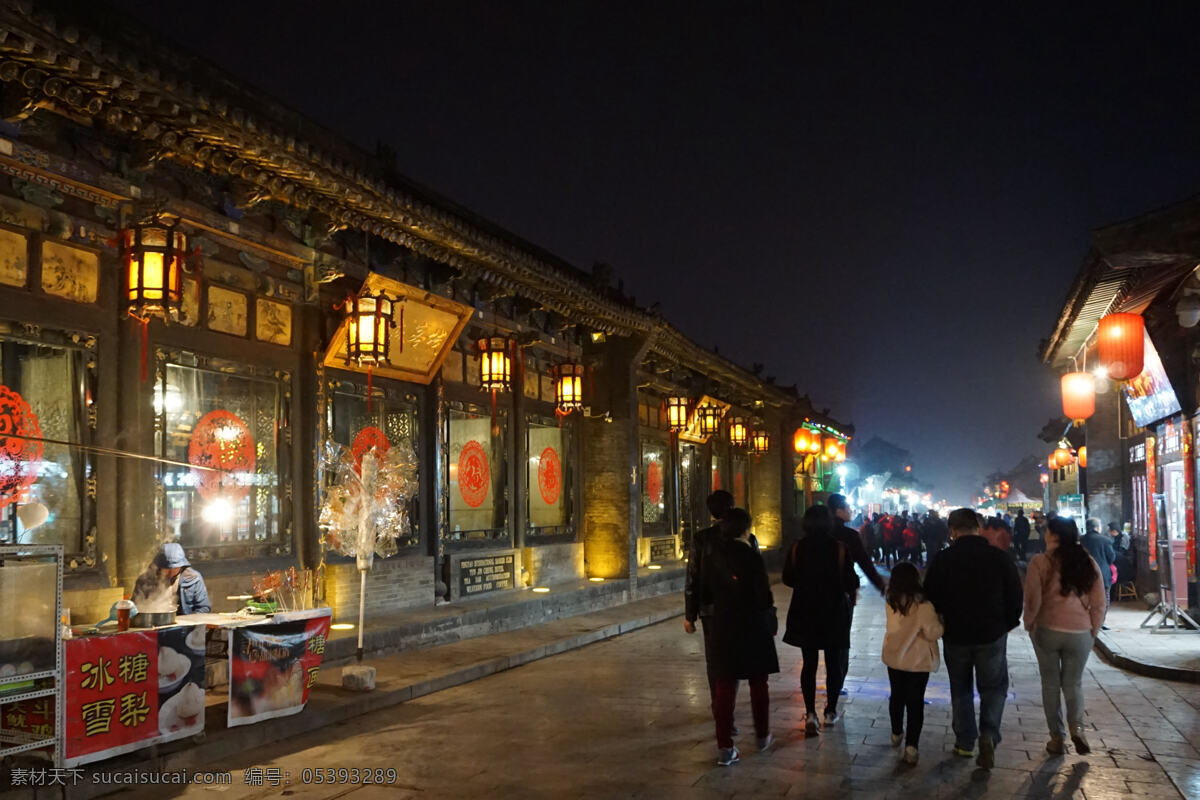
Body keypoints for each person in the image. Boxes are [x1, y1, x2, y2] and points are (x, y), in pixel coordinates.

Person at [923, 508, 1022, 769]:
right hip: (991, 633)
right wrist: (1008, 622)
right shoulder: (998, 558)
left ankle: (965, 742)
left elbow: (930, 594)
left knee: (961, 687)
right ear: (978, 527)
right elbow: (1015, 593)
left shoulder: (943, 559)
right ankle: (989, 734)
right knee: (994, 686)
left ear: (952, 530)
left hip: (956, 633)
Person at [690, 507, 779, 766]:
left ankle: (725, 748)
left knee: (724, 686)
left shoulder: (712, 556)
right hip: (753, 623)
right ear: (745, 529)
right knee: (758, 682)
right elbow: (764, 594)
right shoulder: (751, 555)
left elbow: (704, 592)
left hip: (724, 624)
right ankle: (762, 736)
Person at [1024, 517, 1107, 755]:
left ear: (1053, 535)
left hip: (1047, 629)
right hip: (1080, 632)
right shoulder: (1087, 562)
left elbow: (1033, 599)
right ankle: (1077, 728)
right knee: (1074, 683)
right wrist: (1093, 629)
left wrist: (1029, 622)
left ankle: (1056, 738)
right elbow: (1099, 602)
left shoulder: (1040, 562)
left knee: (1050, 685)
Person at [782, 505, 858, 736]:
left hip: (806, 611)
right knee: (834, 663)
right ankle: (831, 711)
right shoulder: (839, 549)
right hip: (833, 611)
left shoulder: (797, 548)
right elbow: (851, 580)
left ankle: (810, 714)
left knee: (809, 663)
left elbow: (787, 578)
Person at [827, 494, 887, 709]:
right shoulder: (848, 535)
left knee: (818, 645)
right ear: (837, 511)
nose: (851, 510)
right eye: (847, 507)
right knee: (840, 644)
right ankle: (836, 686)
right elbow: (864, 563)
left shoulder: (818, 533)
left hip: (816, 596)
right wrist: (881, 585)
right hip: (843, 595)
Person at [882, 561, 942, 766]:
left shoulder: (891, 602)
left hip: (895, 659)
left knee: (896, 695)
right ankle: (911, 747)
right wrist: (942, 623)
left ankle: (896, 732)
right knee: (915, 703)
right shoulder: (923, 606)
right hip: (917, 662)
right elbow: (933, 632)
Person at [685, 490, 735, 703]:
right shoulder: (745, 537)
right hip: (738, 609)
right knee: (733, 658)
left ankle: (718, 704)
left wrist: (690, 614)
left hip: (709, 609)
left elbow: (692, 577)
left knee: (714, 659)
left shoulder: (701, 538)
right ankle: (727, 705)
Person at [131, 542, 211, 614]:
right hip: (156, 626)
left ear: (182, 566)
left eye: (175, 568)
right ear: (159, 566)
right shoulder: (144, 581)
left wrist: (187, 622)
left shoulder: (194, 579)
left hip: (186, 628)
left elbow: (204, 607)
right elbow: (135, 609)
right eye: (167, 569)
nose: (171, 572)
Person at [1081, 518, 1116, 618]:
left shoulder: (1081, 540)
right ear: (1097, 527)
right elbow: (1111, 557)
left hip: (1084, 573)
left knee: (1087, 597)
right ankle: (1100, 621)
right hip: (1102, 573)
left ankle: (1089, 619)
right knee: (1104, 598)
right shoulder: (1105, 540)